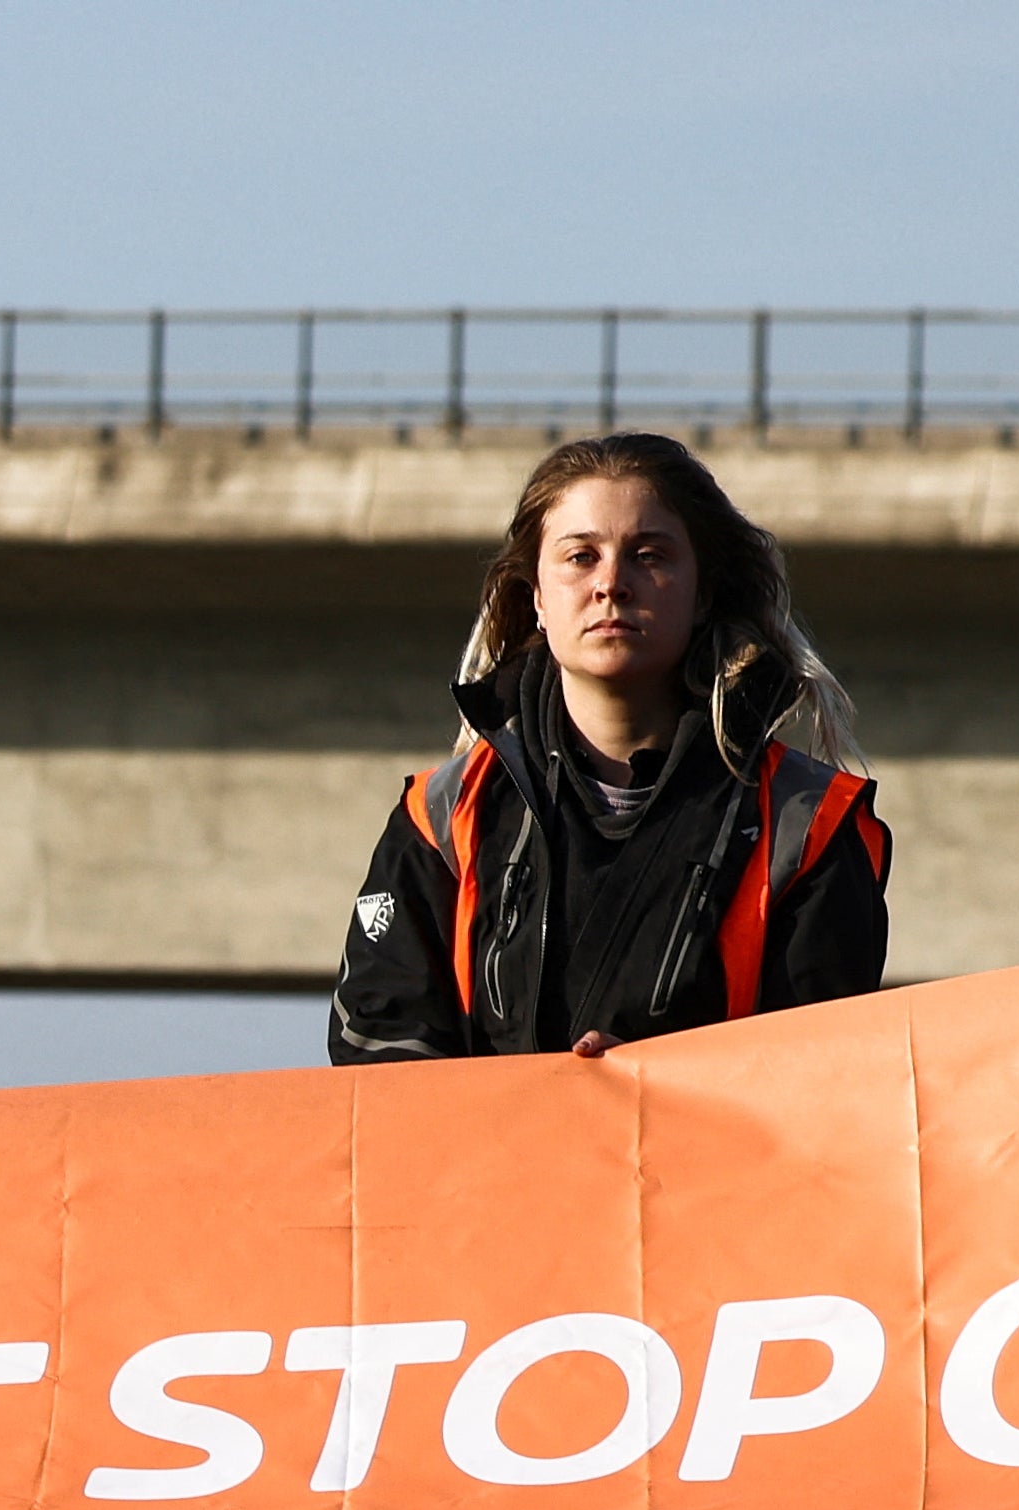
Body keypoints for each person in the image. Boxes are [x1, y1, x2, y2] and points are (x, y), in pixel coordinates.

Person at [328, 431, 890, 1065]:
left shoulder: (809, 824)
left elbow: (824, 1074)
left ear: (703, 592)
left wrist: (647, 1093)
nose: (612, 584)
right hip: (487, 1162)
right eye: (579, 557)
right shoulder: (441, 819)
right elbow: (377, 1048)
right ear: (535, 594)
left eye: (649, 555)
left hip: (702, 1162)